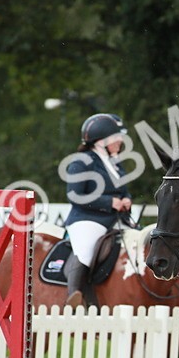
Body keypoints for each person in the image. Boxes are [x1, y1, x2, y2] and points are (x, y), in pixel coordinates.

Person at [63, 113, 133, 308]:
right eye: (116, 137)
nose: (120, 141)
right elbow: (75, 195)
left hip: (115, 219)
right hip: (88, 219)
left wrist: (127, 199)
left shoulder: (114, 162)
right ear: (101, 142)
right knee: (86, 250)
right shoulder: (81, 161)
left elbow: (124, 190)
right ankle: (74, 295)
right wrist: (109, 202)